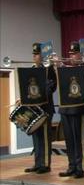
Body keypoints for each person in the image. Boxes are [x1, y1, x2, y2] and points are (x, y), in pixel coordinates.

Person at [24, 42, 57, 174]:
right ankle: (37, 163)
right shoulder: (32, 68)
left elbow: (53, 87)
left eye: (37, 54)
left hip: (45, 108)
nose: (34, 56)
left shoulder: (48, 69)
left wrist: (40, 95)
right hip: (34, 109)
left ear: (42, 56)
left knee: (44, 137)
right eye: (34, 54)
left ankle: (45, 164)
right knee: (36, 137)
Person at [58, 41, 84, 178]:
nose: (72, 56)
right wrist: (57, 65)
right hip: (65, 109)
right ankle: (71, 166)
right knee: (69, 140)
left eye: (75, 53)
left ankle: (80, 168)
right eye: (70, 54)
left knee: (79, 140)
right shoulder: (65, 69)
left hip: (79, 109)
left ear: (81, 55)